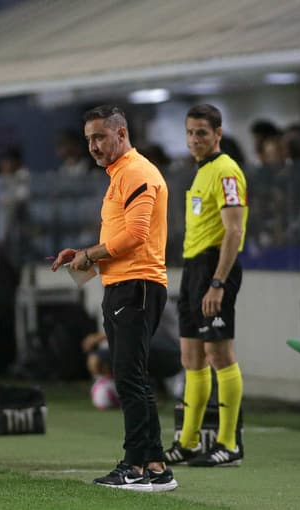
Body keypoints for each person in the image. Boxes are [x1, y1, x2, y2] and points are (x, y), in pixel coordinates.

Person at [51, 105, 177, 492]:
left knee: (129, 378)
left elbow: (136, 235)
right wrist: (84, 254)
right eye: (88, 138)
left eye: (99, 137)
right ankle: (156, 465)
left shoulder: (136, 171)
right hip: (127, 284)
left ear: (121, 135)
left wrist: (90, 254)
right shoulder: (120, 173)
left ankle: (135, 466)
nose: (92, 146)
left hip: (136, 284)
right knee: (132, 376)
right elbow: (122, 235)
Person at [164, 104, 248, 467]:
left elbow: (234, 230)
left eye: (201, 132)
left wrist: (218, 282)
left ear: (218, 133)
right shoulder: (200, 173)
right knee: (191, 357)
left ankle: (229, 443)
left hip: (215, 269)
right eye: (189, 132)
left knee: (218, 355)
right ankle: (188, 441)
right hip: (194, 270)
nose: (194, 139)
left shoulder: (227, 171)